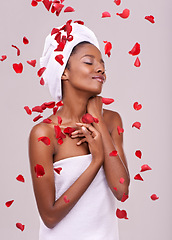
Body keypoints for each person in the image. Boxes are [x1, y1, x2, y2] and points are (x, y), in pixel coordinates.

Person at [28, 20, 130, 240]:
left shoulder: (111, 121)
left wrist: (99, 123)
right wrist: (97, 160)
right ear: (64, 72)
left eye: (101, 63)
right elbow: (50, 216)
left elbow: (121, 191)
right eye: (89, 62)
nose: (100, 68)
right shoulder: (43, 134)